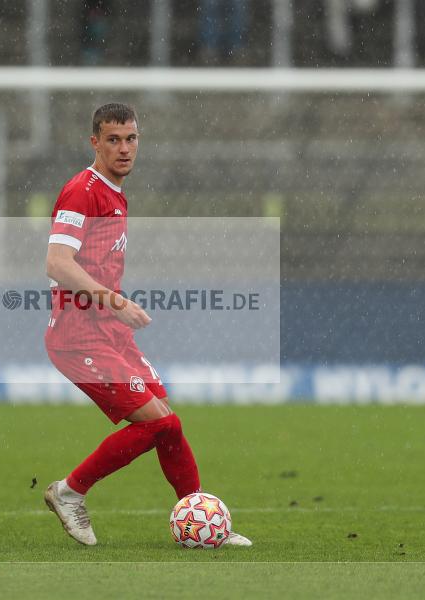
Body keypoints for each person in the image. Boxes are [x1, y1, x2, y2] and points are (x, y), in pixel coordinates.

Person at [42, 103, 252, 547]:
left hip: (108, 334)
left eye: (131, 138)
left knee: (168, 425)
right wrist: (114, 301)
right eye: (113, 139)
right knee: (156, 424)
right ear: (94, 142)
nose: (124, 148)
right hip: (78, 338)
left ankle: (199, 522)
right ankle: (69, 491)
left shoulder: (115, 193)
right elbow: (57, 263)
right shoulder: (83, 191)